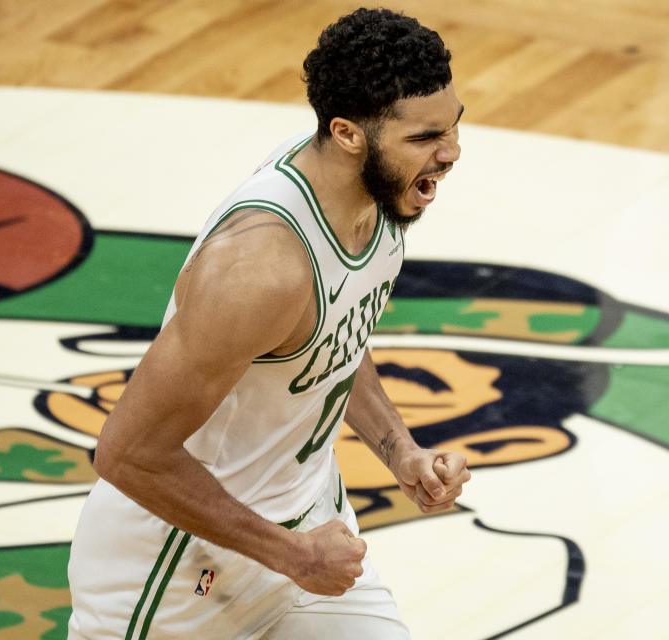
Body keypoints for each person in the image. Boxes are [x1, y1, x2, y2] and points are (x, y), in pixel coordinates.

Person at [67, 8, 471, 638]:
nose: (450, 154)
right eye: (424, 138)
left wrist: (400, 451)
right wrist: (295, 557)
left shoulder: (381, 194)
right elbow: (127, 454)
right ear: (347, 134)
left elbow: (333, 335)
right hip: (182, 568)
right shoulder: (257, 271)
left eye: (452, 127)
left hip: (307, 521)